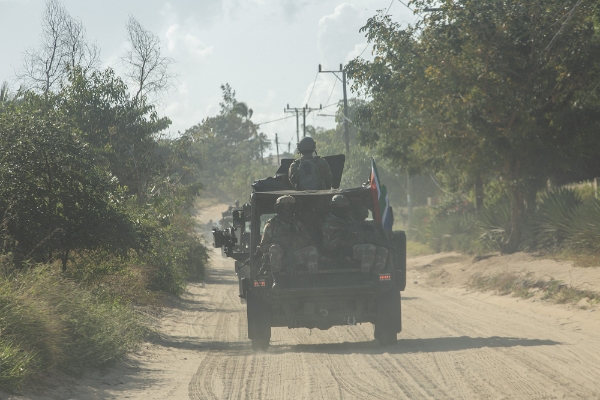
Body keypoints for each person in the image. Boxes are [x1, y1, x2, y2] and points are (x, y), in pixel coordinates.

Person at [258, 195, 318, 288]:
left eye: (289, 209)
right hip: (280, 259)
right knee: (275, 248)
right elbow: (263, 247)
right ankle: (276, 280)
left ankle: (313, 281)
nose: (286, 211)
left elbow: (308, 241)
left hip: (295, 256)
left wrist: (300, 242)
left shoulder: (297, 224)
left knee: (312, 250)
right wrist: (274, 246)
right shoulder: (272, 225)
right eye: (283, 209)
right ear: (279, 210)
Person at [322, 195, 388, 273]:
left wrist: (364, 228)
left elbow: (357, 230)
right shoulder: (330, 223)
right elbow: (328, 246)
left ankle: (374, 275)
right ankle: (364, 276)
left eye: (344, 208)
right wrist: (341, 238)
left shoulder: (348, 219)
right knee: (370, 248)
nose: (343, 210)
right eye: (340, 208)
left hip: (354, 247)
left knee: (383, 250)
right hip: (341, 252)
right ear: (334, 207)